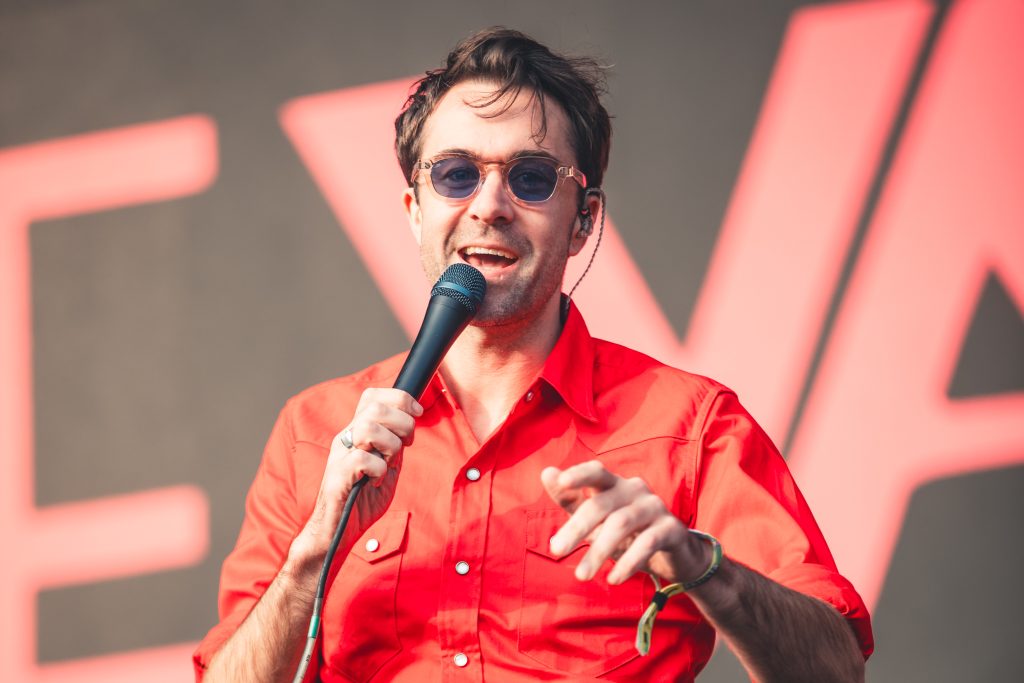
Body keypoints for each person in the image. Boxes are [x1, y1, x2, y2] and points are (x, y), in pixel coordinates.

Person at [194, 27, 873, 682]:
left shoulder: (692, 424)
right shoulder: (317, 431)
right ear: (413, 208)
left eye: (532, 177)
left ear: (583, 219)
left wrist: (700, 564)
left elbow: (836, 669)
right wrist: (314, 551)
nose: (490, 205)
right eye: (456, 174)